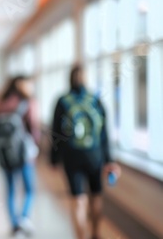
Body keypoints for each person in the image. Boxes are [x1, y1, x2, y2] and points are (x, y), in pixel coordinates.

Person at [50, 64, 121, 239]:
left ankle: (81, 236)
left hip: (71, 157)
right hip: (94, 156)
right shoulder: (95, 100)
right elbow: (104, 133)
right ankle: (96, 233)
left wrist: (53, 158)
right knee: (96, 195)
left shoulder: (62, 101)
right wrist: (108, 159)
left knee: (77, 199)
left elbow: (56, 133)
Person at [0, 75, 40, 237]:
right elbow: (33, 127)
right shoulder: (27, 102)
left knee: (10, 189)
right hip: (23, 153)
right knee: (29, 189)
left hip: (4, 152)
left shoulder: (0, 104)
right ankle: (24, 218)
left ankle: (14, 224)